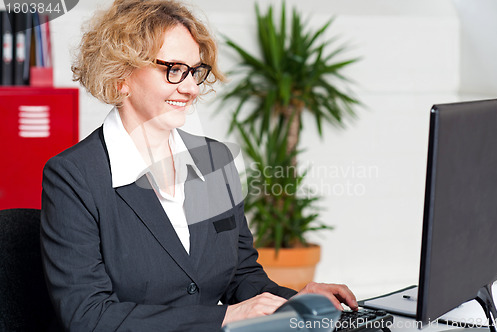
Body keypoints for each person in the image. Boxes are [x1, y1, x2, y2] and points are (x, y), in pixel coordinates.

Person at [40, 0, 358, 331]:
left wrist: (296, 301)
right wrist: (223, 317)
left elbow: (240, 276)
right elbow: (89, 317)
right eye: (173, 69)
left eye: (195, 71)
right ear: (122, 76)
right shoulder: (74, 177)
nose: (191, 87)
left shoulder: (212, 162)